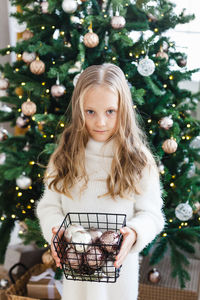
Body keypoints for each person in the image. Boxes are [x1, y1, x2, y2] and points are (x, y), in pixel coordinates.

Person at [36, 63, 165, 300]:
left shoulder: (139, 161)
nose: (100, 123)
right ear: (79, 110)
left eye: (110, 112)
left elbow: (153, 214)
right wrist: (57, 231)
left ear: (123, 110)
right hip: (77, 278)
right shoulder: (64, 157)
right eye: (90, 112)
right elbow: (49, 206)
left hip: (119, 279)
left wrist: (134, 233)